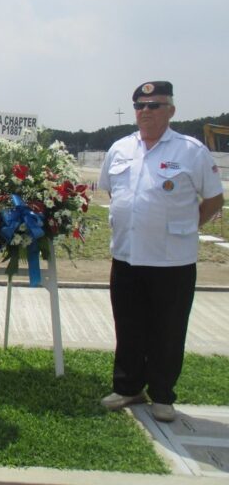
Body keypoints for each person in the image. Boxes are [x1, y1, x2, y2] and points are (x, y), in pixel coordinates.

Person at [98, 81, 224, 423]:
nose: (146, 112)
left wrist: (187, 227)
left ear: (171, 110)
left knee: (168, 329)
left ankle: (163, 396)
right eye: (140, 105)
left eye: (155, 105)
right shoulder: (120, 148)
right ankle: (128, 388)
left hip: (172, 260)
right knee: (128, 325)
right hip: (126, 256)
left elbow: (214, 199)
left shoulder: (190, 151)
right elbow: (111, 192)